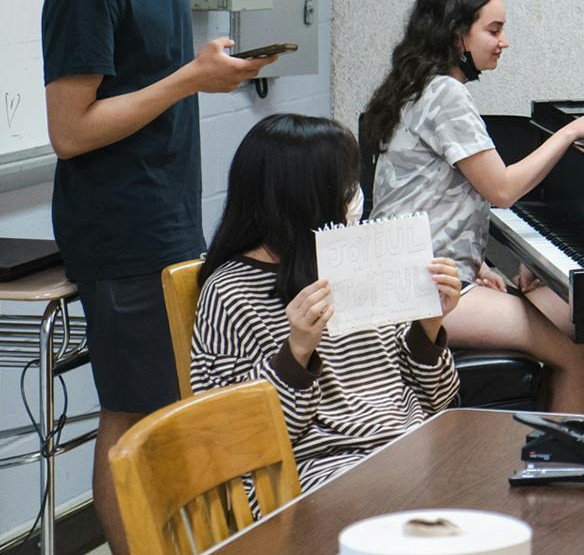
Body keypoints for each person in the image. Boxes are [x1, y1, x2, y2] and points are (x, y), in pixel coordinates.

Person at [40, 0, 275, 554]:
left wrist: (209, 72)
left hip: (169, 213)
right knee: (134, 413)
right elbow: (71, 131)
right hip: (119, 227)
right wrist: (188, 79)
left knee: (168, 402)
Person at [361, 0, 584, 414]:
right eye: (493, 30)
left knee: (579, 319)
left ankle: (533, 448)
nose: (503, 42)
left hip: (419, 275)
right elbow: (502, 189)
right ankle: (554, 475)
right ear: (456, 36)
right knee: (581, 356)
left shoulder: (414, 85)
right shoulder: (445, 93)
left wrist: (478, 263)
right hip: (422, 290)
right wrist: (572, 131)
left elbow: (427, 197)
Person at [189, 114, 461, 490]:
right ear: (304, 198)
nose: (355, 195)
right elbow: (233, 441)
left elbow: (439, 401)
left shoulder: (364, 264)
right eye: (345, 185)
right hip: (318, 470)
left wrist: (427, 329)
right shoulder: (230, 291)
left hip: (407, 448)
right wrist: (296, 353)